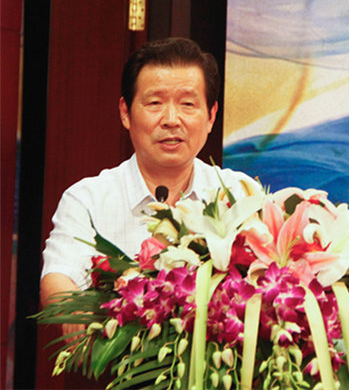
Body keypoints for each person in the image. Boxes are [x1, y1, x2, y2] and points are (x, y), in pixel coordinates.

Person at [40, 38, 260, 337]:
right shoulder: (88, 199)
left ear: (211, 116)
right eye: (155, 103)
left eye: (188, 104)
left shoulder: (240, 194)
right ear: (125, 112)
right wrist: (80, 322)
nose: (171, 120)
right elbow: (58, 277)